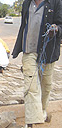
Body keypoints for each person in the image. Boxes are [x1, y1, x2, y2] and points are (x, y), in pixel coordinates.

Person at [12, 0, 62, 128]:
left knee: (46, 85)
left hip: (47, 51)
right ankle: (31, 122)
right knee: (30, 86)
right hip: (29, 51)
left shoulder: (56, 3)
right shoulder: (26, 3)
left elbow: (61, 25)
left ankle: (43, 109)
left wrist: (56, 29)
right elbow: (24, 25)